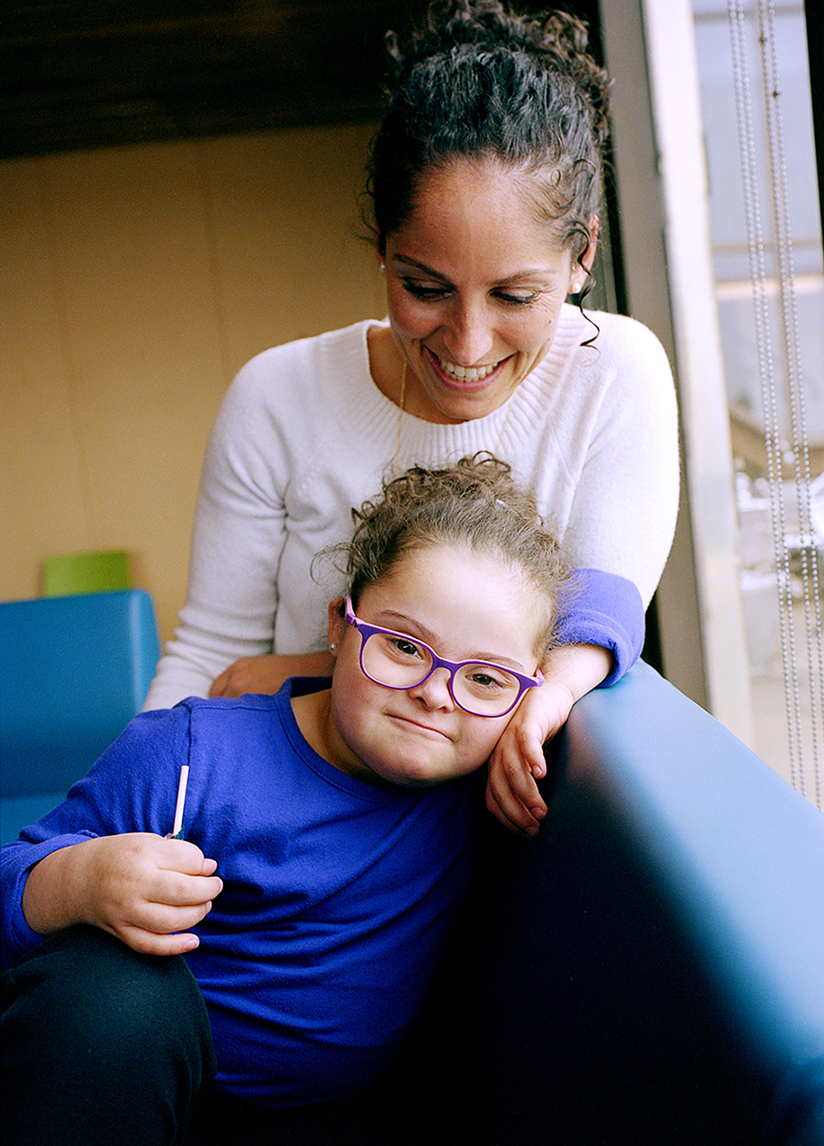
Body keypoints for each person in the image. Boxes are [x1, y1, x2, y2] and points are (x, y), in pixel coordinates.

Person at [143, 0, 680, 835]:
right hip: (269, 820)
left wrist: (299, 674)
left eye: (516, 295)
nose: (466, 343)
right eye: (423, 287)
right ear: (382, 247)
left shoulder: (615, 371)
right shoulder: (276, 397)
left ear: (583, 256)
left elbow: (596, 615)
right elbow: (212, 660)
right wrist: (114, 828)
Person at [1, 455, 574, 1145]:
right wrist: (78, 881)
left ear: (527, 688)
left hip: (335, 1116)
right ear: (339, 625)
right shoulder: (189, 752)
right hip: (144, 1098)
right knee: (113, 994)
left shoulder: (478, 774)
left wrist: (558, 697)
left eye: (484, 679)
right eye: (401, 645)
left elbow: (613, 607)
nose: (435, 692)